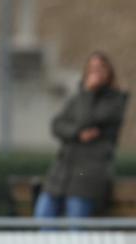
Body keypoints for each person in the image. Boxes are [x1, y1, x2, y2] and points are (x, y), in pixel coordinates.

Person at [35, 52, 128, 218]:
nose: (95, 73)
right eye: (91, 69)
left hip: (88, 176)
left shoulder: (115, 101)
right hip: (62, 174)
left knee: (76, 224)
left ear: (109, 72)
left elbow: (88, 119)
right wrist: (78, 133)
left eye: (100, 69)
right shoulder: (77, 99)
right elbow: (57, 125)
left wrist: (88, 93)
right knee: (43, 214)